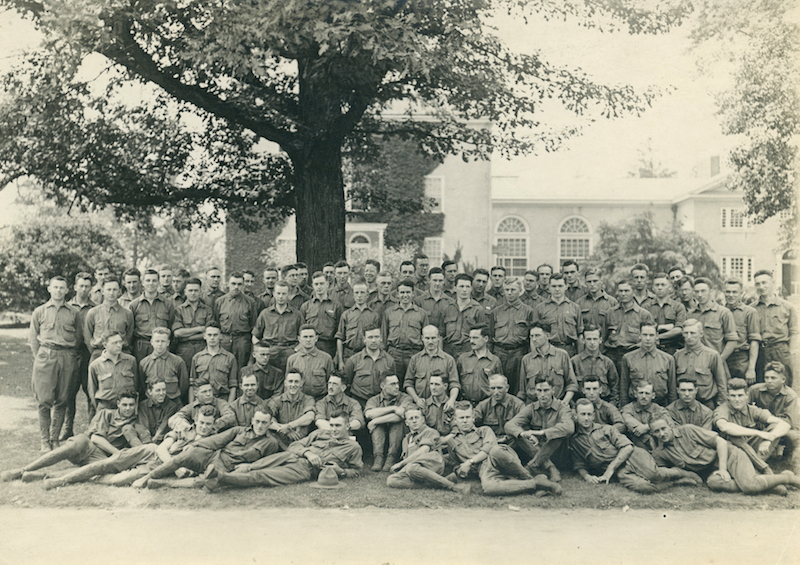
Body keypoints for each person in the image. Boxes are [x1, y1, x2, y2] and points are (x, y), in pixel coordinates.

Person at [40, 406, 218, 490]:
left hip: (156, 467)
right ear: (196, 420)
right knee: (107, 464)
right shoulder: (185, 431)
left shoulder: (212, 444)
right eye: (201, 422)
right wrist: (177, 467)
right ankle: (59, 481)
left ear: (213, 424)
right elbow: (162, 449)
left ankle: (61, 475)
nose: (203, 426)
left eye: (208, 424)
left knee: (118, 480)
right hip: (150, 451)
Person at [1, 391, 148, 482]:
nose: (128, 408)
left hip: (103, 457)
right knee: (73, 444)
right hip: (88, 446)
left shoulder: (135, 422)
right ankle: (23, 469)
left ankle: (39, 476)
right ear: (118, 404)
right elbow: (96, 438)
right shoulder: (107, 413)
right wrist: (117, 454)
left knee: (97, 470)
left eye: (131, 405)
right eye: (125, 405)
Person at [200, 412, 363, 491]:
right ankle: (211, 479)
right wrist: (308, 452)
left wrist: (340, 471)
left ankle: (219, 477)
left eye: (338, 426)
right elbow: (294, 446)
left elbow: (356, 471)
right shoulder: (319, 433)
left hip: (303, 469)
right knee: (249, 466)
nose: (333, 429)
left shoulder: (353, 447)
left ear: (347, 427)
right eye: (332, 425)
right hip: (290, 456)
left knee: (262, 475)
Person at [570, 399, 701, 493]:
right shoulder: (575, 440)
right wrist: (587, 476)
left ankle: (682, 473)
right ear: (576, 416)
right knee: (644, 487)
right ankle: (676, 482)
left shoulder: (607, 429)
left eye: (589, 414)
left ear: (593, 415)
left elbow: (627, 447)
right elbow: (579, 464)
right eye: (583, 414)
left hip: (633, 456)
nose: (586, 418)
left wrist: (610, 468)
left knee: (654, 475)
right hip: (619, 470)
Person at [132, 409, 281, 490]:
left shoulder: (271, 443)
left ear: (270, 423)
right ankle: (146, 477)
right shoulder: (239, 431)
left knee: (210, 482)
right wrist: (195, 446)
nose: (260, 425)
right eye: (257, 421)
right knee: (182, 457)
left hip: (227, 466)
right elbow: (216, 441)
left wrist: (248, 467)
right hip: (213, 454)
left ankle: (164, 484)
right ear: (252, 420)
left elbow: (265, 463)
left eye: (264, 422)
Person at [651, 419, 800, 495]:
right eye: (657, 432)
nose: (662, 434)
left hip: (729, 456)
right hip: (712, 471)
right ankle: (770, 486)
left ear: (670, 425)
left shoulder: (687, 431)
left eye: (663, 428)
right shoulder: (661, 453)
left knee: (749, 486)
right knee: (714, 483)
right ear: (653, 434)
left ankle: (788, 478)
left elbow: (720, 442)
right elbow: (663, 474)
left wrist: (723, 468)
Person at [446, 402, 561, 496]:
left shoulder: (484, 430)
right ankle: (536, 483)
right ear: (455, 420)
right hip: (483, 469)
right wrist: (460, 470)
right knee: (489, 488)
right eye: (461, 418)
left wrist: (469, 462)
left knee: (495, 450)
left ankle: (527, 477)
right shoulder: (452, 441)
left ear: (473, 418)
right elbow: (455, 464)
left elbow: (487, 449)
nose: (465, 421)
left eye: (468, 417)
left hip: (496, 458)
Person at [29, 276, 83, 451]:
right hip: (46, 355)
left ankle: (55, 439)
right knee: (44, 400)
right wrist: (40, 357)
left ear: (67, 290)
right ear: (49, 289)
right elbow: (33, 337)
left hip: (67, 357)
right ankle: (45, 440)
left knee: (62, 399)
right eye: (56, 287)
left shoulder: (74, 312)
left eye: (62, 288)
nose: (59, 290)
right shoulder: (40, 311)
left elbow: (79, 338)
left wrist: (71, 357)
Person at [713, 378, 790, 473]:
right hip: (732, 453)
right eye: (733, 396)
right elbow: (724, 427)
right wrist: (758, 433)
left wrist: (769, 439)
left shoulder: (752, 410)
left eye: (740, 395)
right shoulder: (722, 410)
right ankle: (759, 468)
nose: (737, 400)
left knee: (774, 427)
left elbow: (784, 424)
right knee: (734, 437)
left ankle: (754, 468)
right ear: (727, 396)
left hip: (751, 449)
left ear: (747, 395)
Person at [505, 377, 575, 481]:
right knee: (518, 435)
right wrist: (524, 434)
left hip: (557, 453)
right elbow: (509, 425)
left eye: (546, 390)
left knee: (558, 434)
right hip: (536, 450)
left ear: (553, 390)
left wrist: (542, 433)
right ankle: (551, 468)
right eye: (539, 390)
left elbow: (569, 428)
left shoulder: (562, 408)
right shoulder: (531, 408)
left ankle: (531, 467)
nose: (542, 394)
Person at [386, 408, 470, 493]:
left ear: (422, 420)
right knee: (392, 480)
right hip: (414, 469)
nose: (414, 421)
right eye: (411, 419)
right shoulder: (406, 439)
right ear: (406, 423)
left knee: (411, 468)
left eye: (417, 417)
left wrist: (401, 464)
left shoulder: (430, 432)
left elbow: (424, 450)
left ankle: (452, 486)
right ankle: (435, 483)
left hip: (432, 463)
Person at [62, 271, 95, 439]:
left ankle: (92, 429)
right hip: (71, 354)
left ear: (91, 288)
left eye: (87, 286)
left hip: (89, 354)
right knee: (69, 392)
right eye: (81, 286)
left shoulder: (95, 308)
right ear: (75, 287)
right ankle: (68, 428)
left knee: (91, 392)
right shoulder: (67, 307)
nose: (83, 289)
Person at [491, 277, 534, 395]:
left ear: (520, 290)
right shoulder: (496, 312)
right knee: (498, 387)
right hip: (499, 353)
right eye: (507, 290)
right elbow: (490, 337)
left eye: (513, 290)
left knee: (518, 389)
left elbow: (532, 337)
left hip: (519, 353)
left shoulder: (528, 311)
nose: (509, 293)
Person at [753, 269, 797, 385]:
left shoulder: (788, 307)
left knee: (784, 384)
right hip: (760, 352)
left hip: (780, 351)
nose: (761, 287)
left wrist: (790, 352)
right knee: (761, 385)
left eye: (764, 283)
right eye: (758, 284)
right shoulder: (751, 309)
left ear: (773, 283)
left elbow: (794, 331)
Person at [172, 277, 214, 396]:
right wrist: (199, 329)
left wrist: (186, 335)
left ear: (201, 291)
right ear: (185, 292)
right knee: (185, 383)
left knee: (204, 380)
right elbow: (177, 333)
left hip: (203, 350)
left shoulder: (207, 310)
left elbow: (209, 332)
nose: (193, 293)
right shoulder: (179, 310)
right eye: (190, 290)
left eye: (196, 290)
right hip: (184, 351)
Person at [518, 322, 578, 405]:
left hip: (558, 404)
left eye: (537, 335)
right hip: (534, 405)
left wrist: (565, 401)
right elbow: (522, 391)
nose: (534, 339)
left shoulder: (562, 355)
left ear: (547, 336)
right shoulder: (526, 359)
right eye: (532, 336)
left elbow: (572, 384)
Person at [604, 280, 655, 376]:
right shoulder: (610, 313)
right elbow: (604, 337)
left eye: (626, 291)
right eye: (621, 291)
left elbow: (652, 339)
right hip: (612, 355)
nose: (623, 294)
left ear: (634, 292)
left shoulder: (644, 314)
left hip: (633, 354)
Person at [619, 322, 677, 407]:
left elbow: (672, 390)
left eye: (651, 335)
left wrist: (671, 411)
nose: (648, 338)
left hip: (661, 406)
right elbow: (624, 388)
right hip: (635, 407)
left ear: (657, 336)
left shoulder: (668, 359)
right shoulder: (628, 358)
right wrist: (625, 409)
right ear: (639, 335)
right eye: (645, 335)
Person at [748, 362, 799, 456]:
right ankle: (753, 454)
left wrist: (770, 434)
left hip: (781, 427)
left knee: (792, 436)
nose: (769, 381)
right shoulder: (754, 390)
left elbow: (789, 422)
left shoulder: (791, 396)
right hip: (760, 425)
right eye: (766, 377)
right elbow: (744, 409)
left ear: (783, 379)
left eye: (773, 378)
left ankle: (783, 455)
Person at [365, 374, 414, 471]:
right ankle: (378, 457)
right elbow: (368, 414)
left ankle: (392, 457)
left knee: (398, 422)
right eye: (392, 384)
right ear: (383, 386)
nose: (397, 387)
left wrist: (376, 420)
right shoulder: (374, 400)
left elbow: (400, 415)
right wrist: (393, 408)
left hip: (399, 435)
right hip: (380, 436)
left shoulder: (405, 398)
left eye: (397, 383)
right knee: (378, 426)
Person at [382, 279, 429, 381]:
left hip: (413, 354)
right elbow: (384, 336)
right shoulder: (389, 312)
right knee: (393, 383)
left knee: (412, 383)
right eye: (402, 292)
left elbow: (426, 338)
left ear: (413, 294)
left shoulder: (421, 313)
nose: (405, 295)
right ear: (397, 294)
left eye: (408, 292)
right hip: (394, 354)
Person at [674, 319, 728, 408]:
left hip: (706, 403)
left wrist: (721, 404)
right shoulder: (677, 356)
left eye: (693, 333)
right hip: (683, 405)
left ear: (701, 334)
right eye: (686, 333)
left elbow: (721, 383)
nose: (689, 336)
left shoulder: (712, 355)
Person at [404, 325, 460, 410]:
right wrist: (416, 399)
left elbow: (454, 384)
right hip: (421, 405)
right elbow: (408, 383)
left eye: (433, 338)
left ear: (438, 338)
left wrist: (451, 400)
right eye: (427, 338)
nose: (430, 341)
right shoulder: (415, 359)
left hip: (441, 406)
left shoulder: (448, 360)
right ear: (422, 338)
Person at [688, 277, 738, 371]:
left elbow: (732, 341)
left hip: (716, 364)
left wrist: (719, 360)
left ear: (711, 291)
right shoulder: (690, 314)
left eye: (703, 291)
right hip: (695, 363)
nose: (700, 295)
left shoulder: (723, 313)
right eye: (696, 291)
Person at [252, 281, 303, 372]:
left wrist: (295, 350)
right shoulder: (265, 313)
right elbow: (255, 336)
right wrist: (262, 351)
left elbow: (303, 336)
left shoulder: (297, 314)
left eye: (284, 294)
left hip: (289, 351)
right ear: (274, 294)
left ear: (288, 294)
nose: (280, 296)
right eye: (278, 293)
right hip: (270, 352)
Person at [342, 325, 397, 407]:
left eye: (376, 337)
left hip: (381, 404)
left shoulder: (389, 361)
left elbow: (393, 384)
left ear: (381, 338)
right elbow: (346, 385)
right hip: (359, 403)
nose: (374, 340)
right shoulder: (353, 361)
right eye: (370, 337)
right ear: (364, 339)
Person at [128, 269, 175, 364]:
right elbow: (130, 330)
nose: (151, 283)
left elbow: (171, 326)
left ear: (158, 282)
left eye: (154, 280)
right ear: (143, 283)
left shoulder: (168, 304)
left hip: (162, 345)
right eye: (148, 280)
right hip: (141, 346)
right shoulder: (134, 305)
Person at [213, 272, 258, 369]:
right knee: (223, 368)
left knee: (241, 369)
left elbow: (253, 326)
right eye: (233, 284)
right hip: (224, 340)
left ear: (243, 285)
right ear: (228, 284)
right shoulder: (220, 302)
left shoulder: (250, 302)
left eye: (239, 284)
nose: (236, 287)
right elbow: (216, 324)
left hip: (242, 341)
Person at [84, 277, 134, 361]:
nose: (111, 293)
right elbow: (87, 337)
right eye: (108, 289)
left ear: (119, 292)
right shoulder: (93, 312)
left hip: (121, 355)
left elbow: (129, 337)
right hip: (98, 355)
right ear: (103, 291)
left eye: (115, 290)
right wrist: (95, 352)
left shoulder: (127, 313)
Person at [533, 273, 582, 357]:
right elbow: (534, 336)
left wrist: (579, 357)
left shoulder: (575, 308)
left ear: (566, 286)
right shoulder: (540, 308)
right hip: (547, 350)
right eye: (554, 286)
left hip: (570, 351)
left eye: (560, 286)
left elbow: (580, 335)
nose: (557, 289)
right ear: (549, 287)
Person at [88, 332, 140, 411]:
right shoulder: (95, 365)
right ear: (105, 345)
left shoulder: (131, 361)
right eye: (114, 343)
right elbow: (92, 390)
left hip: (126, 408)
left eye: (120, 342)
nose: (119, 345)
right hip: (106, 408)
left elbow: (136, 385)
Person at [439, 274, 488, 358]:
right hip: (448, 351)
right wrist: (440, 354)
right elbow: (440, 334)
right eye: (461, 286)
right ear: (455, 288)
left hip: (469, 351)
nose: (464, 290)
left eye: (467, 287)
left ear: (471, 288)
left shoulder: (478, 309)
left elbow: (482, 336)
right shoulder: (447, 308)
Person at [722, 278, 760, 384]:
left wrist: (751, 369)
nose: (731, 295)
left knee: (741, 392)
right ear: (723, 292)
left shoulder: (750, 312)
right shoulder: (719, 311)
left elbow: (754, 341)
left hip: (741, 359)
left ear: (741, 293)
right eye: (728, 292)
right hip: (723, 357)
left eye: (734, 292)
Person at [264, 371, 316, 449]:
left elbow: (310, 417)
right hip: (281, 443)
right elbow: (266, 418)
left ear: (301, 384)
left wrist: (289, 426)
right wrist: (283, 429)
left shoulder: (308, 399)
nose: (293, 385)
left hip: (302, 443)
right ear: (285, 383)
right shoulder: (276, 401)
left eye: (296, 382)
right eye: (290, 381)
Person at [335, 280, 380, 370]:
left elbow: (379, 339)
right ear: (353, 295)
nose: (359, 295)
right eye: (357, 293)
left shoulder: (374, 315)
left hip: (367, 354)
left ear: (367, 295)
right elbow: (340, 338)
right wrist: (340, 361)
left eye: (362, 293)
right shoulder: (346, 314)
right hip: (349, 354)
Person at [300, 271, 344, 360]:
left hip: (329, 346)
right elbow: (301, 329)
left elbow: (340, 331)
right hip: (310, 346)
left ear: (327, 284)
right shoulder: (306, 306)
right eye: (316, 284)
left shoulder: (336, 306)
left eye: (321, 283)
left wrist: (337, 355)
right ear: (312, 285)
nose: (319, 287)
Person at [570, 325, 619, 406]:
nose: (592, 342)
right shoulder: (574, 362)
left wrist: (610, 407)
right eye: (589, 339)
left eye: (595, 339)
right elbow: (569, 386)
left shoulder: (607, 363)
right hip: (580, 405)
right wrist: (574, 407)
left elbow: (615, 389)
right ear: (583, 340)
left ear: (600, 340)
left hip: (603, 405)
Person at [139, 327, 189, 405]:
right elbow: (143, 385)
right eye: (157, 341)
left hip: (173, 403)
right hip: (152, 405)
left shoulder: (178, 361)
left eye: (163, 341)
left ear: (168, 343)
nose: (160, 344)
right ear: (151, 342)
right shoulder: (144, 363)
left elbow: (184, 385)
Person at [190, 324, 238, 402]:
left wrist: (229, 405)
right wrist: (192, 404)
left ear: (221, 336)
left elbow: (233, 385)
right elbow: (192, 385)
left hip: (222, 399)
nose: (212, 338)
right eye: (209, 335)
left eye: (215, 335)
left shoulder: (230, 358)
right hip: (202, 400)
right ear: (204, 336)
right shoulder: (197, 357)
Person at [641, 272, 686, 356]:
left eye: (663, 285)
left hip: (673, 350)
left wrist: (657, 337)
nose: (660, 288)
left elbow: (679, 330)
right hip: (651, 349)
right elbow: (643, 329)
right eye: (657, 285)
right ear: (653, 288)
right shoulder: (645, 308)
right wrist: (666, 327)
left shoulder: (678, 307)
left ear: (669, 287)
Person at [287, 325, 335, 401]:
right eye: (305, 337)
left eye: (311, 337)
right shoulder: (292, 359)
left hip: (320, 400)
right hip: (298, 401)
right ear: (299, 339)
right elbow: (287, 384)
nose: (308, 340)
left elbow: (331, 383)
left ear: (316, 338)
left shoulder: (326, 358)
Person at [472, 374, 526, 442]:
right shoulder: (483, 405)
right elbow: (470, 421)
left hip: (513, 442)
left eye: (499, 388)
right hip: (490, 442)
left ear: (507, 388)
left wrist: (507, 438)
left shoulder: (518, 405)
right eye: (493, 388)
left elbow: (524, 428)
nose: (496, 392)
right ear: (489, 389)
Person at [621, 381, 673, 451]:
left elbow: (670, 424)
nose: (644, 396)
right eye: (641, 393)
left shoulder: (659, 409)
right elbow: (636, 429)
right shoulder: (628, 409)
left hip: (660, 446)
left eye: (647, 393)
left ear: (653, 395)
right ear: (635, 394)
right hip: (637, 448)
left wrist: (647, 427)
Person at [457, 326, 503, 404]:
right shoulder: (463, 359)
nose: (471, 341)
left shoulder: (495, 361)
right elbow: (456, 383)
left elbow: (499, 386)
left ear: (485, 339)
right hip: (466, 404)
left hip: (487, 405)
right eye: (470, 338)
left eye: (475, 338)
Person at [168, 380, 234, 432]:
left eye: (210, 391)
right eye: (204, 392)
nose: (208, 394)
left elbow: (230, 416)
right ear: (195, 393)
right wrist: (189, 428)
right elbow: (173, 419)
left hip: (217, 436)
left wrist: (213, 426)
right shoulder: (191, 407)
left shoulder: (221, 403)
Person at [576, 268, 618, 345]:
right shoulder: (579, 303)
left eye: (595, 281)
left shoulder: (612, 302)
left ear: (601, 281)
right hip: (585, 347)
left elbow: (615, 328)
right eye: (589, 282)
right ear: (585, 283)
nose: (592, 284)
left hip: (605, 348)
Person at [136, 379, 181, 444]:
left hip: (163, 440)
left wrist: (154, 440)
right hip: (146, 440)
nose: (162, 393)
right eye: (158, 390)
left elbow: (163, 427)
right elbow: (143, 426)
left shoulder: (172, 406)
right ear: (150, 392)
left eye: (164, 390)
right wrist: (148, 442)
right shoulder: (143, 405)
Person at [414, 267, 453, 335]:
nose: (437, 284)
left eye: (440, 280)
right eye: (435, 280)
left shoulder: (450, 302)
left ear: (444, 281)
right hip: (424, 340)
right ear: (429, 280)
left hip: (443, 341)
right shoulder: (419, 301)